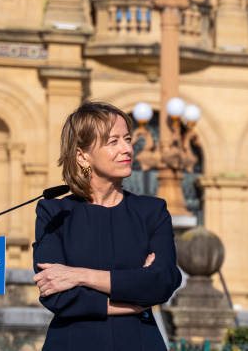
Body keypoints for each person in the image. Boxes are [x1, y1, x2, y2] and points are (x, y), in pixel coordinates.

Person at [33, 101, 182, 351]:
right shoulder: (54, 212)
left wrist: (79, 276)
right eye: (113, 142)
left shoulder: (152, 212)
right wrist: (138, 301)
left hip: (139, 343)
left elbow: (162, 282)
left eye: (127, 139)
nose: (127, 149)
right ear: (82, 156)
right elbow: (58, 296)